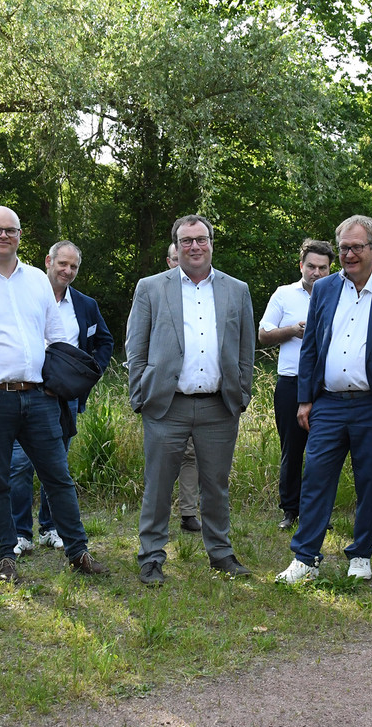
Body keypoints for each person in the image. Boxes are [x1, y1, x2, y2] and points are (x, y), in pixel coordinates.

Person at [0, 208, 108, 584]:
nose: (3, 235)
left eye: (10, 230)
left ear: (20, 235)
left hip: (39, 397)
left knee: (58, 478)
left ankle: (78, 551)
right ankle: (5, 555)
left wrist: (58, 382)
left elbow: (57, 337)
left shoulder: (36, 280)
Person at [276, 216, 372, 584]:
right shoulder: (325, 288)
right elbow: (311, 346)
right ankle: (305, 558)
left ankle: (361, 554)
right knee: (316, 477)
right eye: (344, 247)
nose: (349, 254)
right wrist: (305, 399)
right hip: (328, 403)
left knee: (370, 481)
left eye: (356, 247)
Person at [127, 215, 255, 586]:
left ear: (212, 243)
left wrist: (242, 394)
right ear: (176, 246)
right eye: (186, 241)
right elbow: (135, 347)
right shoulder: (151, 288)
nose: (194, 247)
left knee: (216, 484)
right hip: (167, 405)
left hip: (220, 405)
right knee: (158, 484)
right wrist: (141, 396)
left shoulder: (237, 290)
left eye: (201, 239)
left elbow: (245, 348)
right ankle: (151, 557)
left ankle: (221, 553)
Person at [7, 240, 113, 552]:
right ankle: (19, 533)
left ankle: (49, 528)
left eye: (73, 266)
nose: (67, 271)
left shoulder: (85, 304)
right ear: (48, 262)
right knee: (19, 464)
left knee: (57, 466)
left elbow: (104, 342)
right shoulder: (24, 297)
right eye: (62, 264)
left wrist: (87, 376)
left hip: (64, 397)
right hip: (26, 391)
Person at [258, 238, 333, 531]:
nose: (316, 272)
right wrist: (292, 330)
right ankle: (290, 509)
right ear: (301, 266)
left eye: (322, 268)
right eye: (311, 266)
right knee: (292, 448)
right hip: (291, 381)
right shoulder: (284, 294)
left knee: (324, 450)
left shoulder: (338, 293)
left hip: (328, 384)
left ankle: (317, 512)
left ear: (330, 269)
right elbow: (263, 334)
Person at [166, 241, 202, 533]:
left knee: (191, 456)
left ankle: (188, 512)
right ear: (169, 261)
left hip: (203, 397)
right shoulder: (155, 291)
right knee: (163, 457)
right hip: (165, 398)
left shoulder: (208, 293)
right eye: (176, 258)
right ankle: (157, 512)